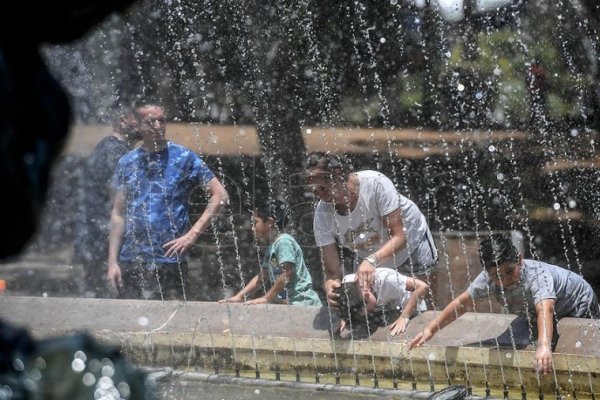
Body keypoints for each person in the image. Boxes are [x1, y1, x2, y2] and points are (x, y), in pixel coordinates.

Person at [409, 233, 600, 375]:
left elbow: (545, 308)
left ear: (520, 260)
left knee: (576, 344)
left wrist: (544, 346)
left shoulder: (536, 275)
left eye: (509, 271)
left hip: (578, 302)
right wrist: (430, 330)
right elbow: (462, 303)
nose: (504, 279)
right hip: (540, 311)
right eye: (496, 275)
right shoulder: (487, 279)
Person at [107, 103, 229, 300]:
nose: (157, 125)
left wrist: (192, 235)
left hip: (170, 258)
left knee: (173, 322)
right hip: (132, 258)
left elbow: (220, 195)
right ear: (137, 126)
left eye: (161, 120)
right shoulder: (127, 162)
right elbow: (117, 214)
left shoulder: (184, 157)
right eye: (150, 121)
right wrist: (112, 262)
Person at [304, 151, 438, 309]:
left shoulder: (375, 183)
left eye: (323, 189)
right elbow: (332, 272)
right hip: (367, 256)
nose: (322, 197)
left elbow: (401, 236)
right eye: (316, 192)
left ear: (337, 174)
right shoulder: (322, 215)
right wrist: (331, 288)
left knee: (423, 306)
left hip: (412, 245)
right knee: (369, 310)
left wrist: (371, 261)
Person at [74, 108, 141, 297]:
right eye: (139, 119)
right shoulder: (116, 151)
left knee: (99, 294)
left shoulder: (109, 147)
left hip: (95, 237)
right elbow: (118, 199)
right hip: (103, 238)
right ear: (123, 120)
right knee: (110, 294)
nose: (145, 125)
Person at [219, 199, 322, 306]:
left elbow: (287, 273)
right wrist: (239, 296)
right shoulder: (272, 246)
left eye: (255, 223)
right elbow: (262, 277)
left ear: (270, 223)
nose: (252, 228)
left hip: (303, 303)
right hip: (292, 304)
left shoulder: (283, 242)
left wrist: (266, 298)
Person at [336, 268, 429, 338]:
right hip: (389, 309)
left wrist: (405, 316)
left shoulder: (388, 280)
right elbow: (347, 300)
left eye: (368, 311)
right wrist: (346, 316)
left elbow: (423, 287)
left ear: (367, 294)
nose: (369, 313)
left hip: (412, 307)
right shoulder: (348, 282)